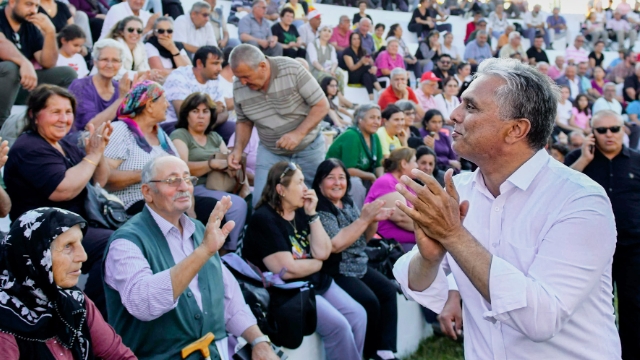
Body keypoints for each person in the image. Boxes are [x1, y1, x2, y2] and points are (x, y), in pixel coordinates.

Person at [392, 58, 621, 359]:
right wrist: (429, 257)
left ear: (515, 129)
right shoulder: (458, 190)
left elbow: (541, 319)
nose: (454, 115)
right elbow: (415, 283)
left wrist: (453, 236)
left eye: (471, 107)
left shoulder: (580, 201)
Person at [103, 156, 278, 360]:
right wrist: (203, 251)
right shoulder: (126, 242)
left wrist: (258, 341)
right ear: (147, 192)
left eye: (187, 179)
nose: (184, 186)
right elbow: (144, 304)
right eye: (172, 180)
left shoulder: (199, 230)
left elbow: (229, 298)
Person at [5, 84, 113, 318]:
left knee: (129, 236)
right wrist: (92, 156)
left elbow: (99, 181)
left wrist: (99, 150)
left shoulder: (63, 144)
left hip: (73, 225)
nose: (63, 119)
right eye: (55, 112)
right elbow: (62, 190)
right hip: (41, 233)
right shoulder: (30, 147)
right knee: (113, 244)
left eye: (68, 112)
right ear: (34, 115)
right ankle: (87, 317)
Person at [243, 161, 367, 360]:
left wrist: (312, 215)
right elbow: (286, 269)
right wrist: (316, 264)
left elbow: (324, 252)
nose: (306, 189)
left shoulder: (302, 211)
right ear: (281, 189)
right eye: (300, 183)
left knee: (358, 315)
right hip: (291, 291)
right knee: (339, 327)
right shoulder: (264, 219)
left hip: (315, 282)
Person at [0, 208, 136, 359]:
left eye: (80, 243)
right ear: (34, 257)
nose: (83, 256)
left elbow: (118, 355)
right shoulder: (5, 322)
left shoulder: (73, 300)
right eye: (67, 246)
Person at [564, 110, 640, 358]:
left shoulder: (637, 161)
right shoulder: (578, 158)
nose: (609, 134)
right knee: (592, 308)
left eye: (614, 129)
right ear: (592, 134)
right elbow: (560, 189)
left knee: (633, 306)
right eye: (602, 130)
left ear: (623, 130)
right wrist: (585, 160)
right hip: (589, 248)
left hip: (632, 247)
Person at [312, 159, 399, 360]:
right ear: (319, 183)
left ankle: (384, 352)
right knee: (370, 302)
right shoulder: (320, 209)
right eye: (330, 178)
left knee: (387, 290)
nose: (337, 183)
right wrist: (364, 219)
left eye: (341, 177)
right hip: (337, 268)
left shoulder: (348, 202)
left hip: (358, 263)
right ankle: (367, 354)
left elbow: (364, 238)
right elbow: (335, 245)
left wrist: (373, 220)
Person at [104, 81, 218, 224]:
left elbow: (182, 174)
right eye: (164, 100)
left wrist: (191, 210)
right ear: (150, 105)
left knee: (214, 209)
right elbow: (106, 178)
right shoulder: (121, 130)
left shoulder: (162, 136)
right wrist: (150, 174)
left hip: (170, 198)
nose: (168, 105)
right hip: (135, 202)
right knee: (169, 213)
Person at [229, 44, 329, 207]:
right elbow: (244, 121)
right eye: (238, 77)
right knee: (261, 203)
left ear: (262, 66)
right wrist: (238, 150)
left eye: (246, 76)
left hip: (308, 149)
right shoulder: (239, 86)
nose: (242, 82)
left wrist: (298, 134)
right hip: (271, 151)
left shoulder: (292, 69)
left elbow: (321, 105)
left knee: (311, 201)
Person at [170, 93, 249, 252]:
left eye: (205, 111)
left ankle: (233, 250)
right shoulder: (180, 135)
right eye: (195, 111)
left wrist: (244, 183)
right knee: (237, 204)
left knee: (248, 198)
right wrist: (210, 164)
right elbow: (181, 167)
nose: (201, 116)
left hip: (218, 185)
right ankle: (228, 251)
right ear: (187, 114)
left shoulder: (214, 137)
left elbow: (229, 159)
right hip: (193, 187)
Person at [0, 0, 78, 128]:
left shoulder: (29, 25)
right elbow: (1, 43)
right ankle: (1, 126)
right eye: (28, 4)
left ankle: (51, 123)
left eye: (36, 6)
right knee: (11, 68)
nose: (34, 10)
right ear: (13, 2)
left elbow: (48, 63)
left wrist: (50, 32)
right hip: (3, 81)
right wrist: (25, 63)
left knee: (68, 74)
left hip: (20, 85)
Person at [325, 104, 383, 209]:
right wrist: (371, 176)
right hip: (337, 178)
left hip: (363, 177)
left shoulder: (375, 137)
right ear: (360, 120)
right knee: (356, 183)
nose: (376, 122)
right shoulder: (352, 135)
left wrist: (381, 180)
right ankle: (358, 218)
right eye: (372, 117)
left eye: (379, 118)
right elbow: (349, 170)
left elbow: (379, 165)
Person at [68, 39, 132, 132]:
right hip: (81, 141)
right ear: (95, 62)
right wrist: (121, 99)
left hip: (112, 141)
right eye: (104, 59)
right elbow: (91, 126)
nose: (109, 65)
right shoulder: (81, 86)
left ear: (121, 64)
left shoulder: (121, 88)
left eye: (115, 60)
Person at [162, 46, 230, 134]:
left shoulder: (216, 78)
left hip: (205, 124)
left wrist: (207, 126)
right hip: (175, 125)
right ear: (199, 63)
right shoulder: (179, 77)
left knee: (232, 128)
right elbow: (183, 115)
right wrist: (212, 109)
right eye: (215, 63)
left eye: (221, 64)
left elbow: (224, 112)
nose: (220, 68)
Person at [364, 147, 417, 252]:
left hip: (411, 243)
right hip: (392, 246)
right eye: (414, 161)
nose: (417, 166)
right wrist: (432, 229)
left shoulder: (407, 184)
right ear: (404, 164)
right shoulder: (386, 181)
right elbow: (402, 217)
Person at [103, 16, 151, 81]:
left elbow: (144, 68)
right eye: (131, 30)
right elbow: (116, 72)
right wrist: (140, 74)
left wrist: (149, 74)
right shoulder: (113, 46)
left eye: (139, 31)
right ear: (121, 32)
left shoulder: (141, 46)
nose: (135, 33)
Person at [342, 32, 381, 101]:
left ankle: (371, 98)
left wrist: (373, 67)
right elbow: (351, 68)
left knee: (366, 75)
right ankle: (380, 90)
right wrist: (361, 62)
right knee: (367, 68)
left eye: (358, 39)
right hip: (352, 76)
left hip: (362, 75)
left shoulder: (363, 50)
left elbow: (371, 63)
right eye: (354, 39)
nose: (357, 41)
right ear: (350, 40)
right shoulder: (347, 51)